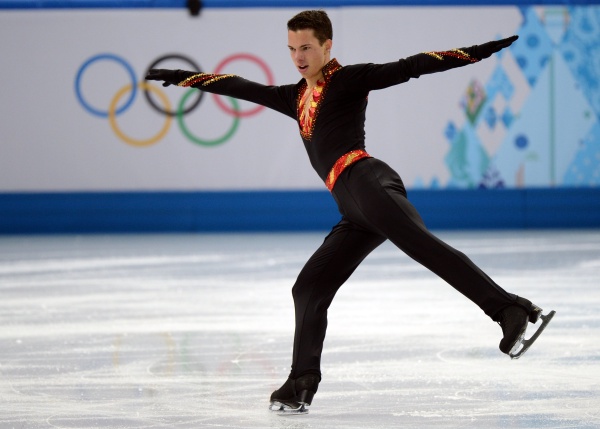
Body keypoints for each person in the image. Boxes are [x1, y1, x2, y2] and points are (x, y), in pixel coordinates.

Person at [146, 9, 555, 414]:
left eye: (306, 47)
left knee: (420, 244)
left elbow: (410, 67)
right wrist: (185, 78)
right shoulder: (296, 97)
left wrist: (476, 53)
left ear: (327, 46)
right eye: (291, 49)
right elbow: (243, 86)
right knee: (309, 287)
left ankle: (508, 308)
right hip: (353, 209)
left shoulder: (348, 80)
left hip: (368, 180)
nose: (299, 56)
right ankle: (300, 382)